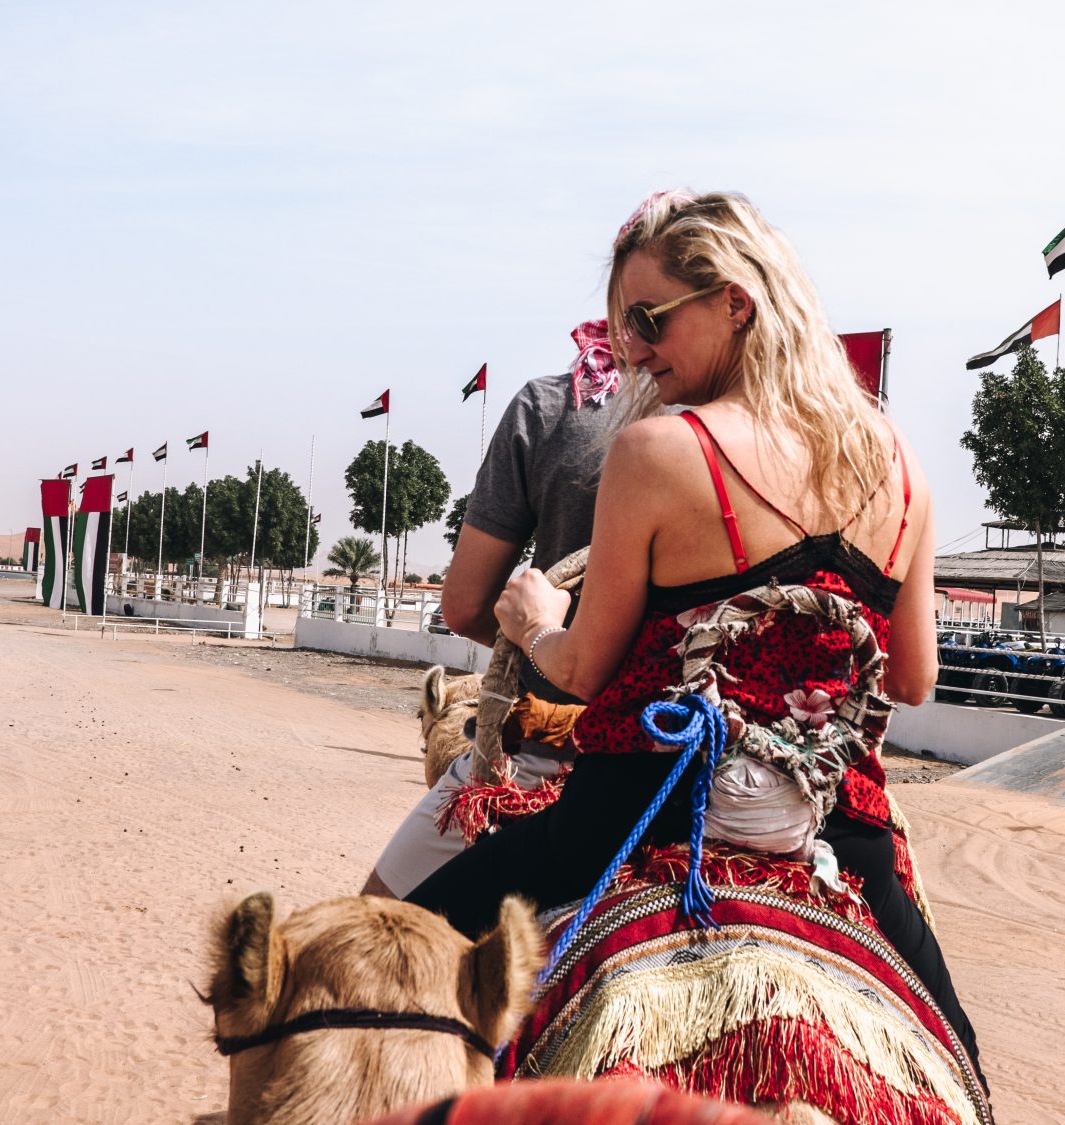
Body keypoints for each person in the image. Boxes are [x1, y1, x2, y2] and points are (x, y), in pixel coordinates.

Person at [405, 190, 979, 1072]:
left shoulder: (660, 450)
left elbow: (585, 671)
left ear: (735, 304)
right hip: (833, 820)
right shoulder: (899, 462)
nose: (631, 348)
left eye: (648, 319)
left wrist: (534, 618)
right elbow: (911, 681)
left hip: (644, 803)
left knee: (393, 961)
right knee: (962, 1058)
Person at [363, 321, 620, 897]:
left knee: (371, 933)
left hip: (556, 752)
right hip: (731, 764)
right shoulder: (758, 423)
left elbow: (463, 606)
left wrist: (538, 643)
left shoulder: (555, 405)